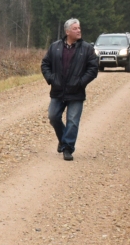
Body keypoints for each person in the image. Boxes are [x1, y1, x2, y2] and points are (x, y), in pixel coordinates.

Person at [40, 18, 99, 161]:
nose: (78, 30)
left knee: (73, 120)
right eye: (75, 28)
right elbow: (45, 64)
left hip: (76, 92)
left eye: (79, 28)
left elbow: (93, 68)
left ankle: (67, 148)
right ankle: (63, 139)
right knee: (53, 116)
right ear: (67, 32)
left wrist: (81, 82)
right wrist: (51, 78)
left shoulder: (87, 48)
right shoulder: (55, 47)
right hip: (58, 91)